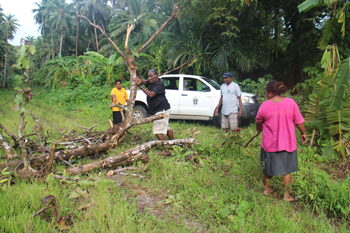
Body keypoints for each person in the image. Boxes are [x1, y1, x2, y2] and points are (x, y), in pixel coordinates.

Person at [255, 80, 307, 202]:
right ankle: (286, 195)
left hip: (269, 143)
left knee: (266, 166)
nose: (266, 95)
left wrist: (259, 128)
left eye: (266, 93)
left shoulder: (264, 105)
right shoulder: (291, 103)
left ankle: (267, 189)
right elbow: (299, 122)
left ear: (271, 93)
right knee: (287, 169)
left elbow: (258, 122)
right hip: (287, 142)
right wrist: (303, 133)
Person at [135, 69, 174, 141]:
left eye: (151, 76)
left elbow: (151, 94)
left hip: (162, 110)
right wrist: (137, 71)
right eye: (148, 76)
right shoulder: (151, 82)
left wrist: (141, 86)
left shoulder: (159, 84)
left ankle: (164, 148)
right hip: (159, 109)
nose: (149, 78)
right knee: (167, 128)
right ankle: (173, 144)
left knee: (158, 131)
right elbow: (140, 80)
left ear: (156, 76)